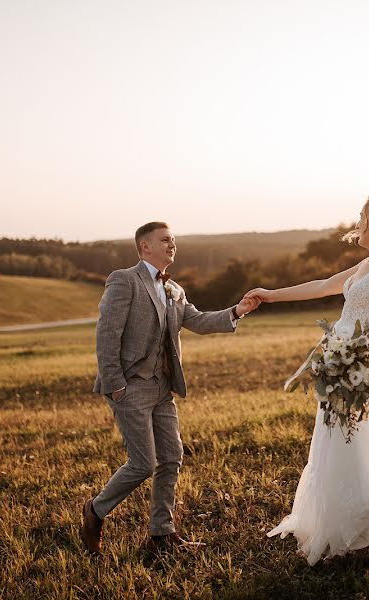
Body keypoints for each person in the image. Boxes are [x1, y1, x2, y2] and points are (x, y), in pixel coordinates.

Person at [244, 192, 369, 565]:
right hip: (343, 364)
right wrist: (270, 295)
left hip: (367, 369)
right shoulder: (365, 265)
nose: (357, 221)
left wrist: (356, 351)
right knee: (343, 442)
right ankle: (360, 518)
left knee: (363, 443)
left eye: (362, 215)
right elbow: (322, 284)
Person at [81, 221, 260, 556]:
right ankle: (95, 510)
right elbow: (106, 336)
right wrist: (116, 386)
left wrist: (237, 311)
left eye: (174, 240)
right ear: (144, 246)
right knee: (142, 463)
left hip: (163, 389)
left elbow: (198, 321)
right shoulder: (124, 280)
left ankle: (162, 535)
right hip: (130, 387)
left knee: (172, 457)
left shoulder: (174, 288)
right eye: (165, 240)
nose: (172, 244)